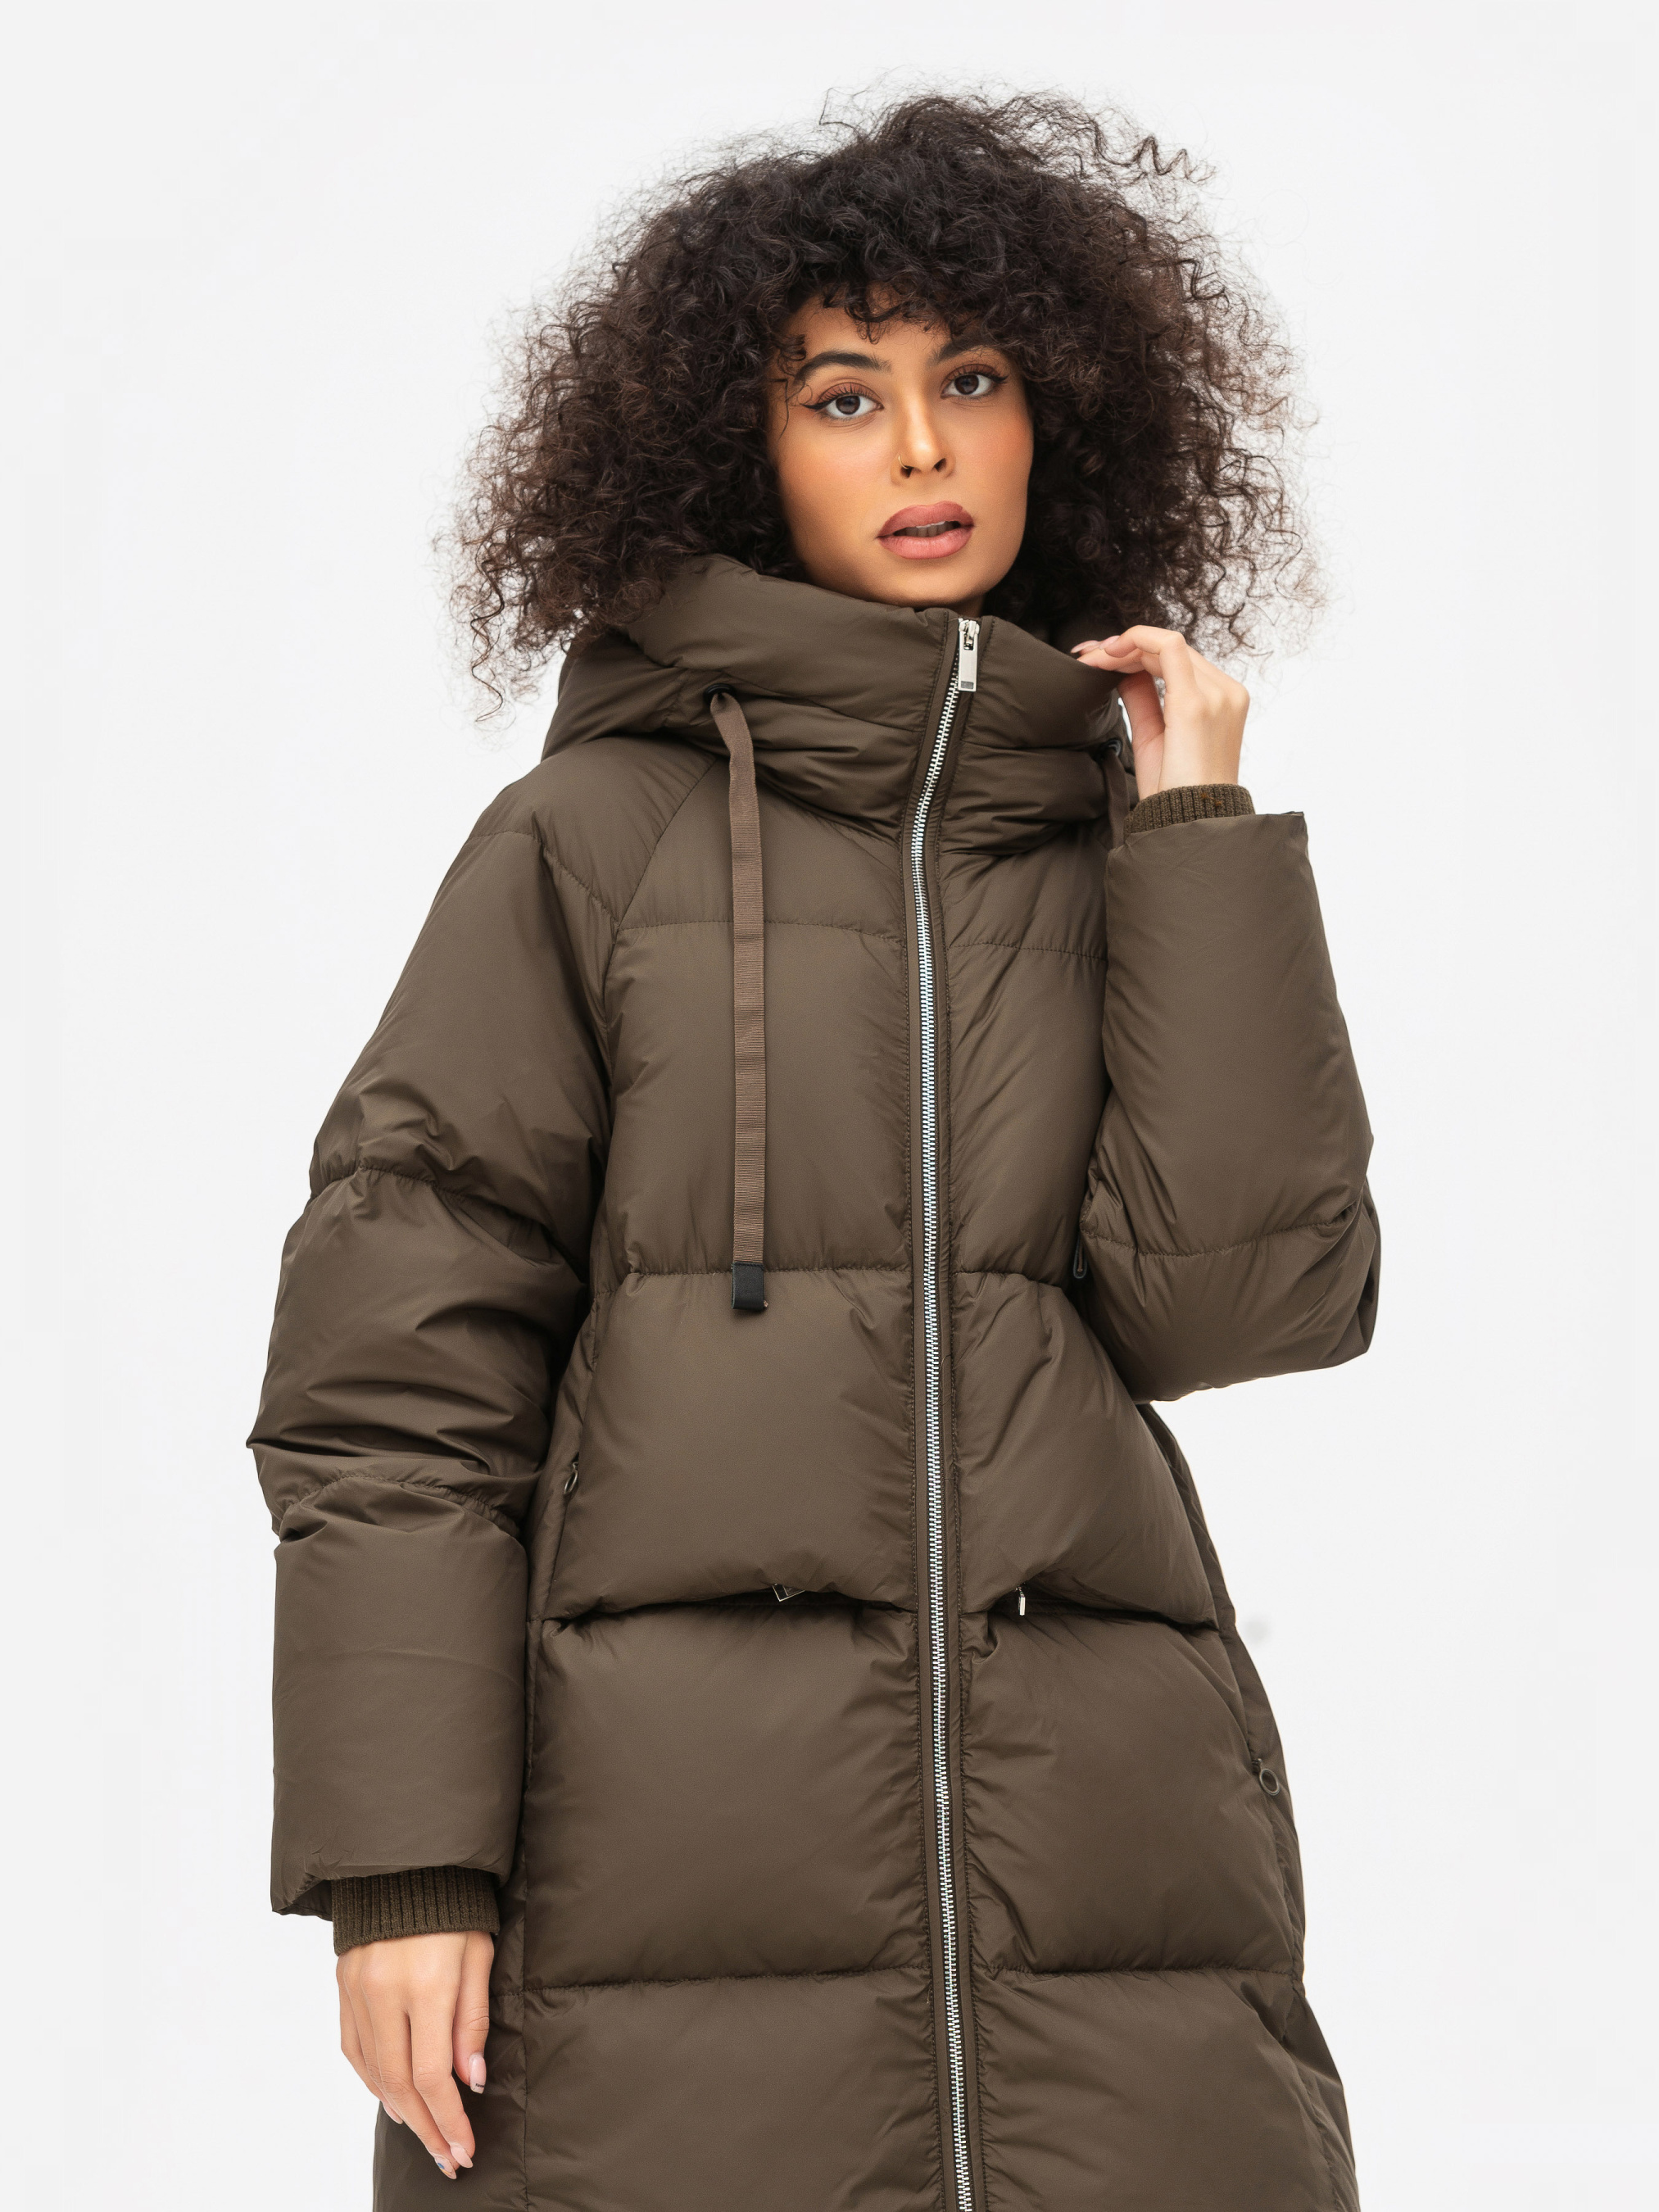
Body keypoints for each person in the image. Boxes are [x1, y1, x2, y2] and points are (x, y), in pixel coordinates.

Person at [251, 90, 1379, 2210]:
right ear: (734, 449)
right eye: (844, 396)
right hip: (651, 1864)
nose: (925, 449)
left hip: (1103, 1881)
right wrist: (401, 1865)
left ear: (1065, 418)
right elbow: (397, 1376)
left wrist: (1204, 846)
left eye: (975, 380)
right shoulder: (590, 842)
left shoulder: (1125, 846)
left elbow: (1240, 1306)